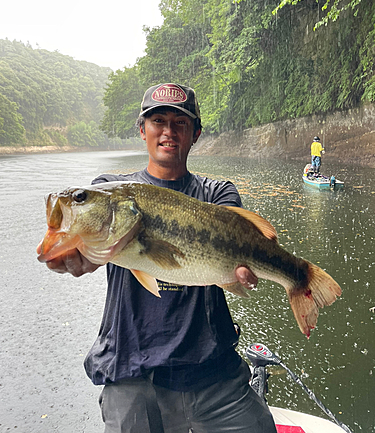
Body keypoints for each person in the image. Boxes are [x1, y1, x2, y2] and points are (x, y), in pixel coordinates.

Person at [44, 83, 277, 433]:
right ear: (142, 129)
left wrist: (239, 271)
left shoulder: (217, 193)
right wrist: (82, 257)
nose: (168, 131)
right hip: (133, 376)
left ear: (195, 133)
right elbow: (90, 251)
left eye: (180, 123)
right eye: (157, 121)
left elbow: (234, 239)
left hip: (214, 372)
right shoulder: (111, 187)